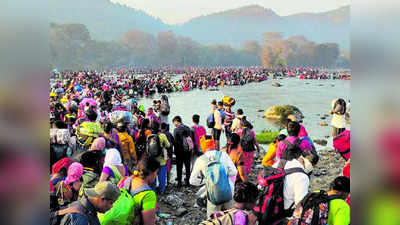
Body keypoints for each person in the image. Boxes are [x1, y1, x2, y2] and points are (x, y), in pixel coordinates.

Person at [189, 148, 238, 217]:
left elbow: (192, 181)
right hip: (228, 191)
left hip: (213, 193)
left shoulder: (200, 159)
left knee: (213, 219)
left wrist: (206, 181)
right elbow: (234, 172)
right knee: (229, 216)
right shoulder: (224, 155)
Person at [118, 156, 160, 225]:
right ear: (152, 173)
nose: (156, 175)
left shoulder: (124, 180)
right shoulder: (148, 194)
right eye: (156, 173)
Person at [275, 146, 310, 215]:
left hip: (269, 205)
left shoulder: (279, 163)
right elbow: (299, 203)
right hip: (284, 211)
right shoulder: (302, 176)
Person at [148, 122, 170, 194]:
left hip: (152, 160)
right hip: (161, 160)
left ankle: (153, 190)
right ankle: (161, 191)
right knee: (162, 176)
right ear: (159, 128)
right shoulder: (162, 135)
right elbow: (168, 145)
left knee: (153, 176)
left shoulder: (149, 136)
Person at [172, 116, 193, 187]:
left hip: (179, 151)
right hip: (187, 151)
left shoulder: (176, 130)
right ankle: (187, 182)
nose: (174, 124)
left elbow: (175, 142)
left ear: (176, 121)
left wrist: (174, 151)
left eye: (174, 122)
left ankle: (179, 183)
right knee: (187, 166)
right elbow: (190, 140)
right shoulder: (188, 128)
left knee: (179, 167)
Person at [161, 122, 174, 186]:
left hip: (163, 153)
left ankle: (162, 182)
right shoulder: (169, 134)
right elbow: (173, 142)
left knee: (163, 167)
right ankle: (168, 182)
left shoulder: (160, 134)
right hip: (169, 152)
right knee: (168, 168)